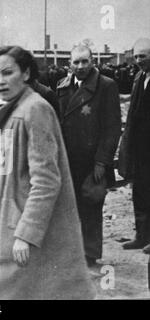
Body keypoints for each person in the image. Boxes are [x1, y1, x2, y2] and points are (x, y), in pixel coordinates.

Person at [0, 46, 95, 300]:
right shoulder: (14, 110)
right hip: (7, 227)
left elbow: (46, 180)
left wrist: (26, 234)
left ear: (25, 73)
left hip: (19, 233)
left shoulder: (34, 110)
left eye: (7, 73)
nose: (0, 81)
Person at [56, 45, 122, 267]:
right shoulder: (63, 86)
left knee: (91, 203)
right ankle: (72, 249)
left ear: (93, 61)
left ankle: (90, 252)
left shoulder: (106, 86)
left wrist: (102, 161)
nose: (81, 67)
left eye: (85, 61)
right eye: (76, 62)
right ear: (70, 64)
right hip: (68, 158)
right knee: (68, 205)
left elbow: (112, 128)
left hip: (92, 159)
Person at [119, 38, 150, 253]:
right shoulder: (140, 77)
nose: (140, 61)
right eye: (137, 56)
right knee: (140, 191)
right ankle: (142, 236)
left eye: (144, 56)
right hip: (141, 147)